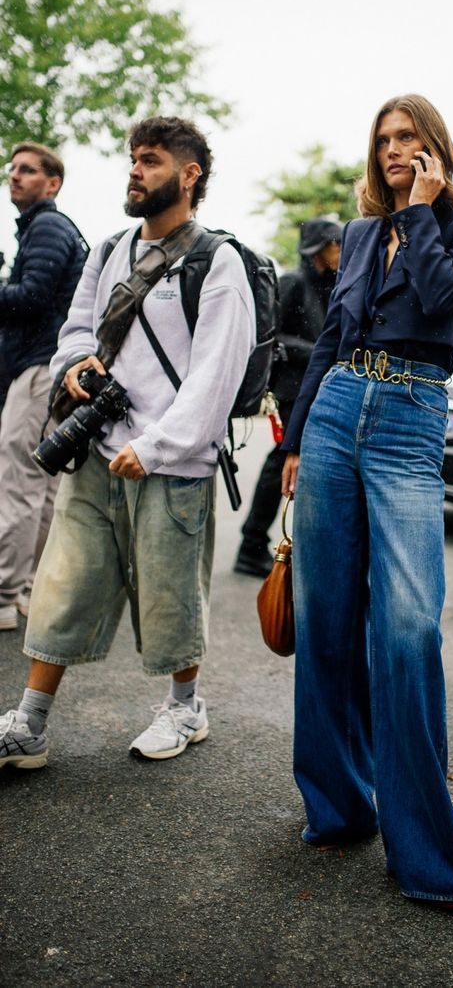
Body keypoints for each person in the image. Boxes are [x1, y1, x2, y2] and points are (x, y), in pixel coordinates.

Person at [280, 94, 453, 906]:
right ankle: (338, 807)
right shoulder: (362, 234)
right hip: (339, 411)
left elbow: (445, 304)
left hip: (412, 417)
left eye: (408, 138)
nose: (394, 151)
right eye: (384, 141)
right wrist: (296, 441)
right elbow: (336, 341)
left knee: (408, 627)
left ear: (436, 146)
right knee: (325, 619)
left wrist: (421, 212)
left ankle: (424, 855)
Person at [0, 116, 254, 770]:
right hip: (96, 450)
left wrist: (163, 444)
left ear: (189, 173)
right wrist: (77, 365)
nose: (135, 170)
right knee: (63, 584)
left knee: (170, 596)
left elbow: (216, 371)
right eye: (133, 159)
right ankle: (29, 724)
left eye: (150, 160)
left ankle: (185, 706)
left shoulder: (216, 261)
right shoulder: (112, 246)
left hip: (169, 463)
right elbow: (76, 327)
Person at [0, 143, 87, 632]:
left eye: (28, 171)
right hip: (53, 372)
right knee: (44, 483)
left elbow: (30, 298)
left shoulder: (48, 226)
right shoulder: (52, 228)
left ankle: (5, 593)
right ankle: (30, 590)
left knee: (18, 482)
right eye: (13, 170)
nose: (15, 177)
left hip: (38, 370)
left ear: (52, 184)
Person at [234, 217, 342, 577]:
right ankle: (251, 545)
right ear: (318, 248)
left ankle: (259, 544)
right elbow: (271, 338)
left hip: (319, 389)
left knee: (290, 463)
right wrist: (319, 352)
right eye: (334, 244)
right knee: (282, 461)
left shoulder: (332, 285)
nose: (340, 251)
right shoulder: (293, 282)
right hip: (293, 389)